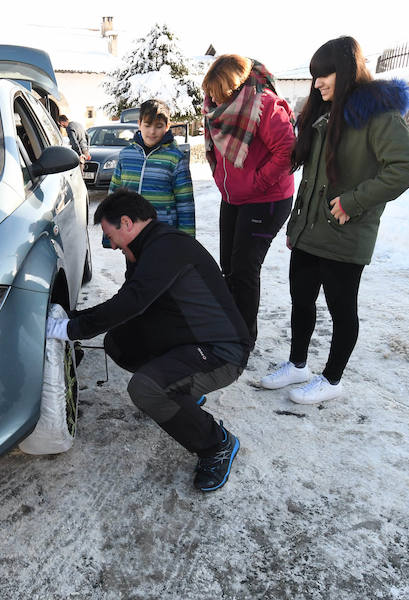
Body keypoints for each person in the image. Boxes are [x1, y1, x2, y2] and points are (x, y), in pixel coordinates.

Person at [46, 189, 250, 492]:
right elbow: (129, 307)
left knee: (146, 389)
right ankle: (181, 395)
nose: (111, 245)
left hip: (222, 354)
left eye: (110, 235)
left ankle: (216, 444)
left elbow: (132, 302)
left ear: (126, 223)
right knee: (119, 342)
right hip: (188, 340)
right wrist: (77, 319)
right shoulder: (147, 248)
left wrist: (70, 328)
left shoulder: (166, 248)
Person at [260, 36, 409, 404]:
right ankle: (298, 364)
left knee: (341, 309)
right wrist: (296, 224)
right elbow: (310, 177)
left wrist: (354, 201)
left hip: (345, 231)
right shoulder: (321, 111)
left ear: (347, 70)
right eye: (314, 76)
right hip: (309, 232)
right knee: (301, 300)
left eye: (325, 74)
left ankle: (332, 380)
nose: (317, 83)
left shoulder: (375, 115)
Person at [202, 55, 296, 345]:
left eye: (219, 94)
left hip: (266, 199)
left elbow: (288, 151)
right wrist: (221, 177)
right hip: (233, 197)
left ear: (234, 87)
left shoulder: (264, 105)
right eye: (210, 94)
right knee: (228, 266)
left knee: (244, 268)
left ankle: (243, 337)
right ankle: (229, 325)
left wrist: (257, 183)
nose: (213, 100)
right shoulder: (216, 109)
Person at [107, 99, 195, 242]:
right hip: (131, 235)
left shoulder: (175, 158)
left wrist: (187, 242)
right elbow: (114, 195)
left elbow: (185, 204)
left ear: (167, 126)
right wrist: (110, 233)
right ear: (139, 124)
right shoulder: (126, 155)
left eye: (158, 126)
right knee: (135, 265)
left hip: (163, 234)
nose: (152, 132)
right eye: (147, 125)